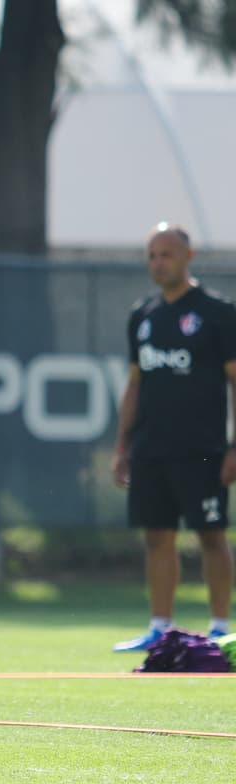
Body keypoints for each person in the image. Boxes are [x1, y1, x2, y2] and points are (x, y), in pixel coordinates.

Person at [111, 222, 236, 652]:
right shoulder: (142, 316)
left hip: (202, 449)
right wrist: (122, 445)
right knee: (156, 536)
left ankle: (220, 627)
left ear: (188, 256)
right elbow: (134, 385)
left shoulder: (218, 313)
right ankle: (160, 628)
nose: (158, 263)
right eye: (151, 255)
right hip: (151, 448)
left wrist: (234, 445)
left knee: (211, 534)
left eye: (166, 254)